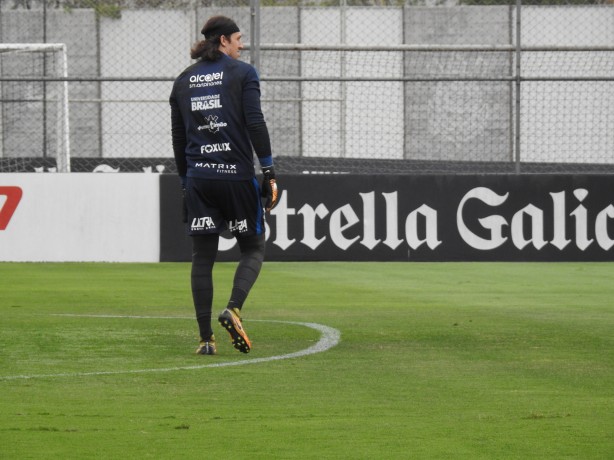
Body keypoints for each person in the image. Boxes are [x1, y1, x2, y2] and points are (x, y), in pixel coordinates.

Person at [170, 15, 278, 355]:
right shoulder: (243, 73)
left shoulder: (183, 80)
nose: (241, 45)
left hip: (199, 178)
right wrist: (270, 170)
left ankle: (205, 341)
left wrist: (186, 182)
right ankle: (233, 308)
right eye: (238, 39)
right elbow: (254, 121)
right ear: (224, 42)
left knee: (202, 257)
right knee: (253, 248)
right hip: (236, 176)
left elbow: (178, 137)